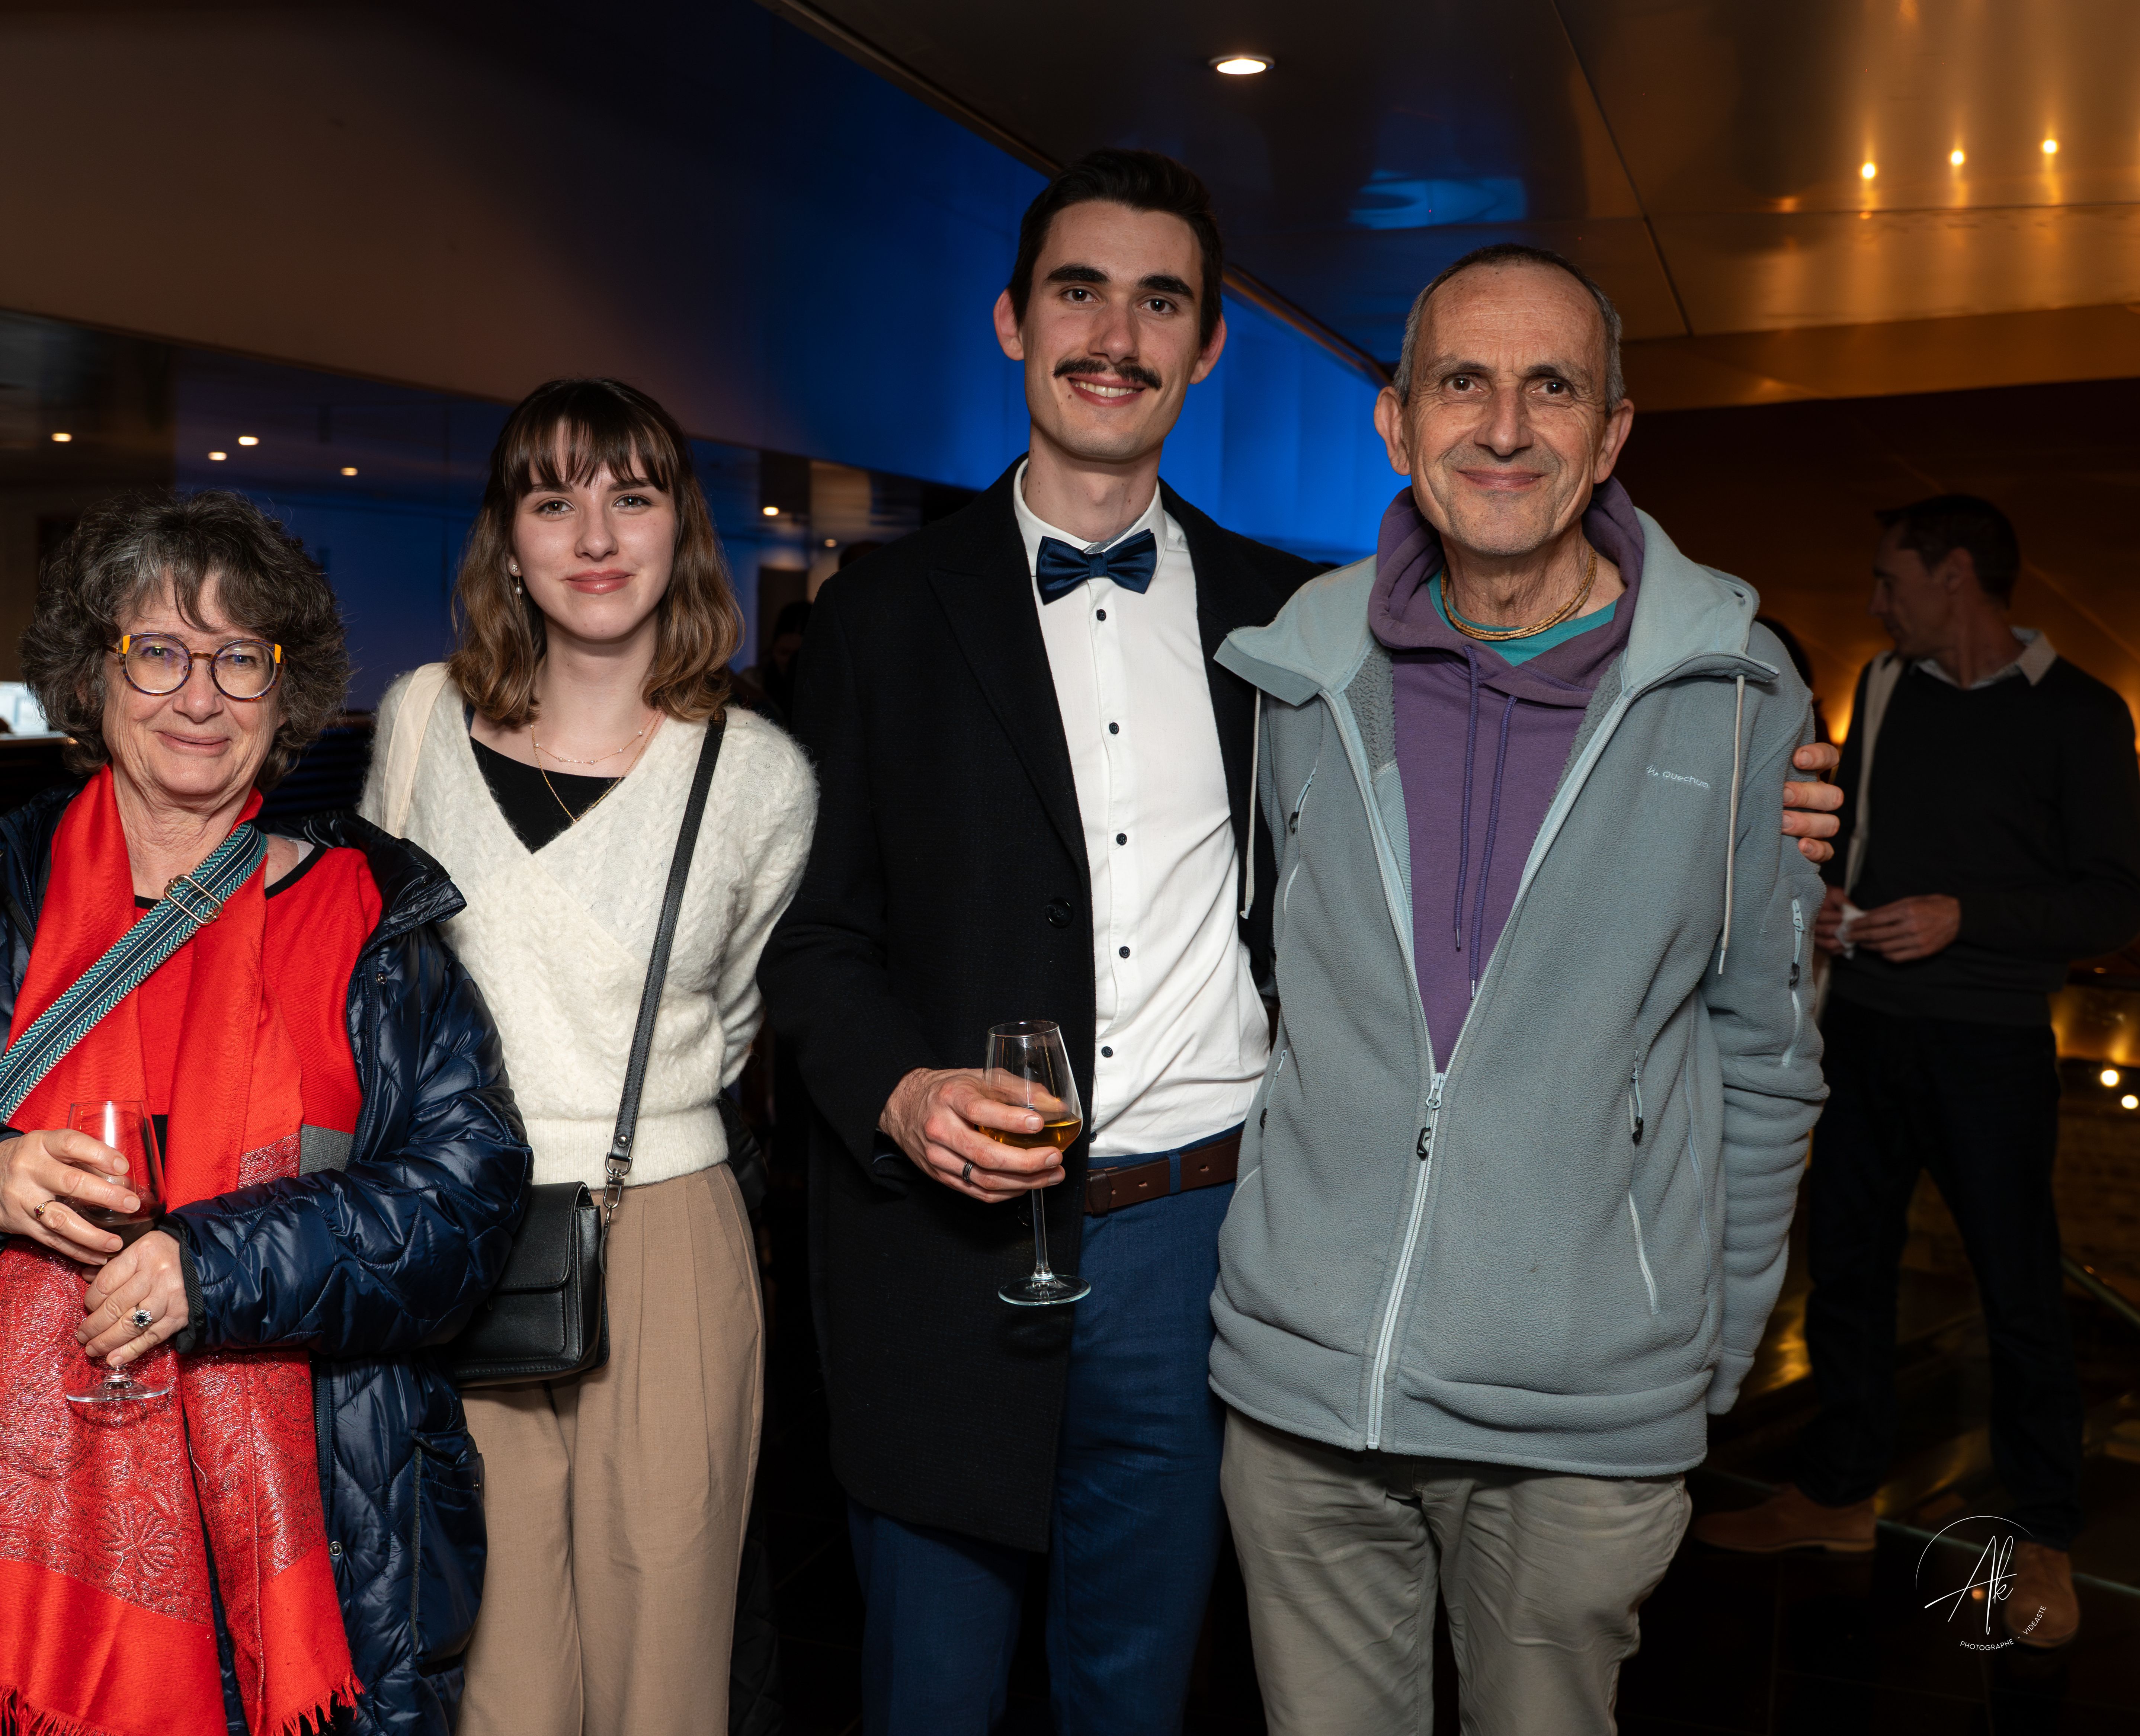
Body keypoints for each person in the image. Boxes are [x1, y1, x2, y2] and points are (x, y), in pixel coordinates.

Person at [763, 151, 1840, 1735]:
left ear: (1210, 345)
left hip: (1204, 1244)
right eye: (1077, 291)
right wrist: (900, 1091)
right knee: (927, 1688)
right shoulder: (882, 615)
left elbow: (1738, 1010)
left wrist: (1779, 795)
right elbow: (807, 940)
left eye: (1161, 302)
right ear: (1010, 319)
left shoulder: (1283, 626)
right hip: (951, 1244)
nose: (1114, 335)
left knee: (1139, 1689)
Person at [0, 490, 530, 1735]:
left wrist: (214, 1266)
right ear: (94, 673)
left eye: (240, 657)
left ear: (284, 690)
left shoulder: (366, 921)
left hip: (310, 1529)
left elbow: (464, 1202)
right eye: (159, 649)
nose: (200, 695)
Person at [1206, 242, 1831, 1732]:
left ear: (1610, 432)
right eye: (1462, 382)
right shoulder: (1298, 673)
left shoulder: (1736, 693)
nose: (1503, 426)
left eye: (1551, 386)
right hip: (1306, 1398)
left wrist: (1700, 1349)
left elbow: (1767, 1052)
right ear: (1397, 420)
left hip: (1583, 1421)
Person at [361, 377, 815, 1736]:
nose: (598, 535)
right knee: (495, 1676)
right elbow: (376, 976)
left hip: (666, 1229)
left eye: (633, 496)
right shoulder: (421, 718)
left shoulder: (759, 774)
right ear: (508, 540)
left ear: (682, 529)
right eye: (554, 501)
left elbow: (735, 1022)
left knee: (663, 1668)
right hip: (458, 1222)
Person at [1694, 495, 2140, 1648]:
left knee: (2018, 1290)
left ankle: (2044, 1539)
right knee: (1847, 1271)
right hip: (1865, 1027)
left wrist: (1963, 916)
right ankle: (1835, 1496)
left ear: (1955, 574)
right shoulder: (1885, 686)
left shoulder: (2084, 713)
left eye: (1891, 579)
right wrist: (1827, 898)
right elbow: (1846, 837)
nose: (1875, 601)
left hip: (1990, 1045)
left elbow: (2113, 901)